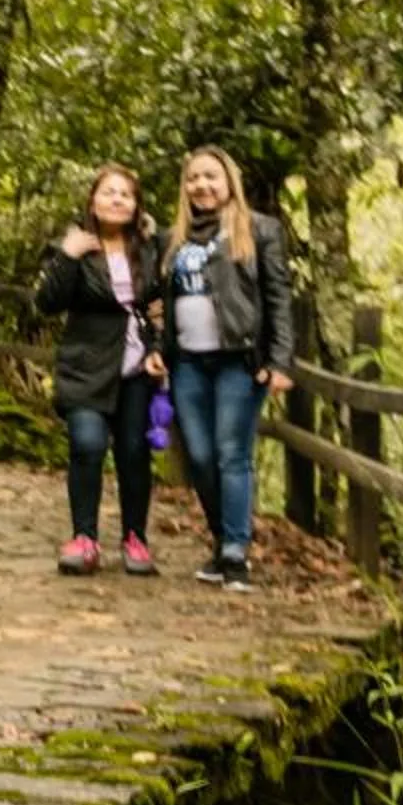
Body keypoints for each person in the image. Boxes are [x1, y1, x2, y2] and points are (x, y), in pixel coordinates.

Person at [145, 146, 295, 592]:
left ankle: (234, 552)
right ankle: (220, 541)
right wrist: (158, 346)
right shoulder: (174, 239)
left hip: (240, 361)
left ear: (229, 181)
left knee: (232, 453)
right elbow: (158, 305)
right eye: (193, 178)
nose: (202, 186)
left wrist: (280, 359)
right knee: (201, 456)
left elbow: (278, 297)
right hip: (188, 361)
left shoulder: (259, 230)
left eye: (211, 177)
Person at [35, 164, 163, 576]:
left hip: (136, 368)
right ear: (92, 200)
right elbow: (47, 302)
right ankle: (84, 538)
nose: (116, 199)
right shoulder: (73, 247)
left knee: (133, 454)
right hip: (86, 367)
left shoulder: (149, 248)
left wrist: (159, 348)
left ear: (136, 205)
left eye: (125, 194)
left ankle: (135, 539)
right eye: (108, 192)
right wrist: (68, 256)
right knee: (87, 445)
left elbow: (164, 304)